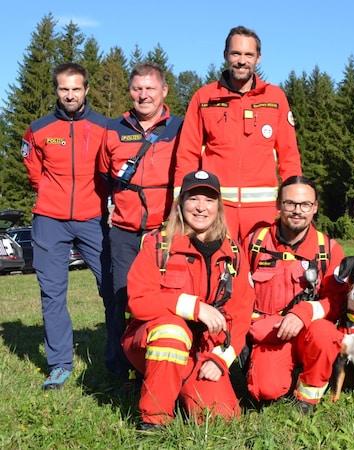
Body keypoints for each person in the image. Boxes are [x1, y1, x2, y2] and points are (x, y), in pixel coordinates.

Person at [121, 170, 254, 429]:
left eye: (209, 200)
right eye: (193, 199)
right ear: (181, 203)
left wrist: (220, 358)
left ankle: (176, 386)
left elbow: (241, 313)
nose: (201, 208)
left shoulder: (234, 252)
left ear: (218, 207)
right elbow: (138, 301)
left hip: (203, 350)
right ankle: (155, 420)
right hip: (154, 340)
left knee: (222, 417)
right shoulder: (157, 244)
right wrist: (193, 307)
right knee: (173, 331)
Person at [22, 62, 114, 390]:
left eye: (76, 88)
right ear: (56, 91)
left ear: (86, 90)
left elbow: (112, 168)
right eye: (64, 89)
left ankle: (117, 361)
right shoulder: (38, 129)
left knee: (113, 289)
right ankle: (60, 364)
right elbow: (34, 170)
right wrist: (50, 194)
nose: (70, 95)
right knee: (52, 294)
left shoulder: (106, 127)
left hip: (94, 218)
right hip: (50, 219)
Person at [174, 25, 302, 242]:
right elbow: (186, 155)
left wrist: (294, 205)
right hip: (217, 210)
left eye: (248, 54)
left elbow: (289, 157)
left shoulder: (275, 98)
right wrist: (179, 203)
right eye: (236, 53)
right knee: (218, 273)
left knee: (264, 273)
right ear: (225, 55)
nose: (242, 60)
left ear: (258, 58)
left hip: (264, 213)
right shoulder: (204, 98)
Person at [100, 62, 183, 384]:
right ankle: (120, 367)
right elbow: (103, 175)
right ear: (130, 92)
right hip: (123, 230)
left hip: (164, 231)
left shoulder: (180, 128)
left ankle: (163, 363)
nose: (143, 95)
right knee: (122, 297)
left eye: (150, 88)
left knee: (165, 296)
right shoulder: (113, 129)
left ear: (164, 91)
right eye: (137, 88)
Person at [245, 176, 346, 414]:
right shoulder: (254, 243)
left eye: (305, 205)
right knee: (265, 391)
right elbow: (238, 297)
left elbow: (337, 301)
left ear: (315, 208)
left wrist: (303, 313)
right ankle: (288, 372)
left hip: (310, 333)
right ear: (278, 205)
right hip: (269, 335)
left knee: (326, 334)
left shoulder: (329, 250)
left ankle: (308, 396)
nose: (297, 211)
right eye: (290, 204)